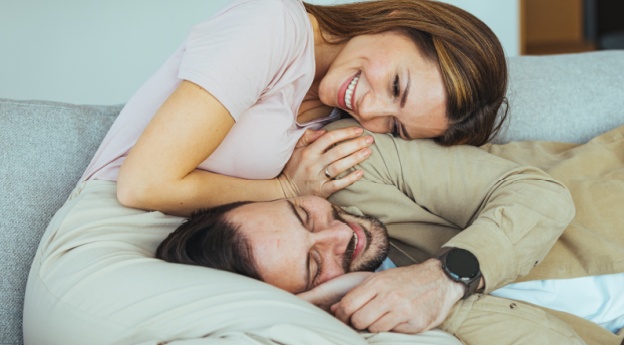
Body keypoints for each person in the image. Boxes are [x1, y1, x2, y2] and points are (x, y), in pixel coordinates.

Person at [156, 118, 624, 345]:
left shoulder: (358, 169)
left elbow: (531, 192)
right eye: (312, 265)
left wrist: (445, 276)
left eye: (305, 216)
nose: (336, 235)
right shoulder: (373, 331)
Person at [81, 0, 508, 217]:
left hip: (200, 247)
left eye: (394, 127)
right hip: (118, 224)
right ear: (399, 17)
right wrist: (285, 191)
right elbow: (141, 186)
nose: (369, 110)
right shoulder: (272, 25)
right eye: (396, 85)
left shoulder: (335, 117)